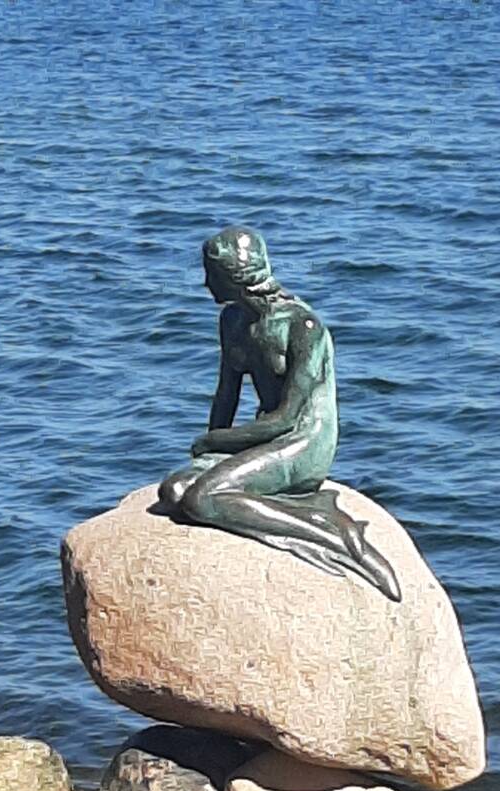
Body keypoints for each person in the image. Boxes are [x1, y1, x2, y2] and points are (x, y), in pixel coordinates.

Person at [158, 226, 400, 602]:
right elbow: (226, 395)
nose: (206, 284)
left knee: (201, 500)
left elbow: (287, 418)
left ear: (233, 277)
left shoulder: (303, 327)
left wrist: (211, 441)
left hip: (301, 441)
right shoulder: (232, 321)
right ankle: (284, 508)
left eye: (211, 274)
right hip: (264, 436)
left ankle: (333, 533)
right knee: (173, 490)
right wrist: (211, 449)